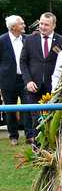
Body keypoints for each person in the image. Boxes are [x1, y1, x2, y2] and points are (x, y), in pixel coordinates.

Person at [20, 12, 62, 131]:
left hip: (54, 88)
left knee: (53, 118)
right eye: (41, 23)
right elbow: (23, 62)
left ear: (53, 26)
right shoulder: (30, 40)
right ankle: (37, 145)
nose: (42, 27)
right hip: (34, 87)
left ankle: (52, 147)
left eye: (46, 24)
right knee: (36, 118)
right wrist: (28, 81)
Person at [0, 15, 34, 145]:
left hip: (25, 79)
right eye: (21, 24)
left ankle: (29, 135)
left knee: (27, 107)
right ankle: (13, 136)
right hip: (7, 81)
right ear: (13, 27)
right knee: (10, 109)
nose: (24, 26)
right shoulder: (2, 40)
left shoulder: (27, 39)